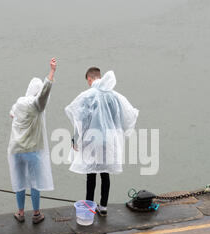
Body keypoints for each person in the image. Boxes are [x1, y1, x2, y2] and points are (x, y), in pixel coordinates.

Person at [65, 67, 139, 216]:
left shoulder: (88, 95)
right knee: (105, 173)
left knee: (91, 174)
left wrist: (75, 139)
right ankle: (103, 207)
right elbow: (124, 116)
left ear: (90, 79)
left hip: (92, 140)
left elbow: (80, 119)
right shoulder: (114, 95)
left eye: (88, 81)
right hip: (109, 140)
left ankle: (89, 207)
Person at [8, 58, 57, 224]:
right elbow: (44, 93)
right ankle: (36, 214)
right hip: (32, 149)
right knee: (35, 182)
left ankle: (20, 213)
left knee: (20, 181)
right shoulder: (36, 105)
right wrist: (51, 72)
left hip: (16, 150)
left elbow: (12, 114)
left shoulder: (19, 102)